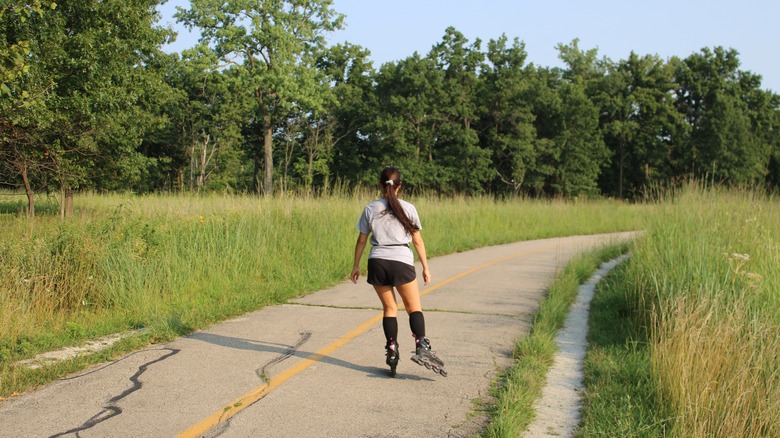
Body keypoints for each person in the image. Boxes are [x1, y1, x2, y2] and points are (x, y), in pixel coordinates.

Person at [351, 166, 446, 377]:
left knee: (390, 308)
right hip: (401, 261)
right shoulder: (408, 208)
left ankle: (392, 349)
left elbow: (361, 240)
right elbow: (418, 240)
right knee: (413, 308)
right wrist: (425, 268)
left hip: (377, 262)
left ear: (380, 185)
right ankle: (422, 345)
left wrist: (356, 265)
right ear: (399, 186)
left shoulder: (370, 208)